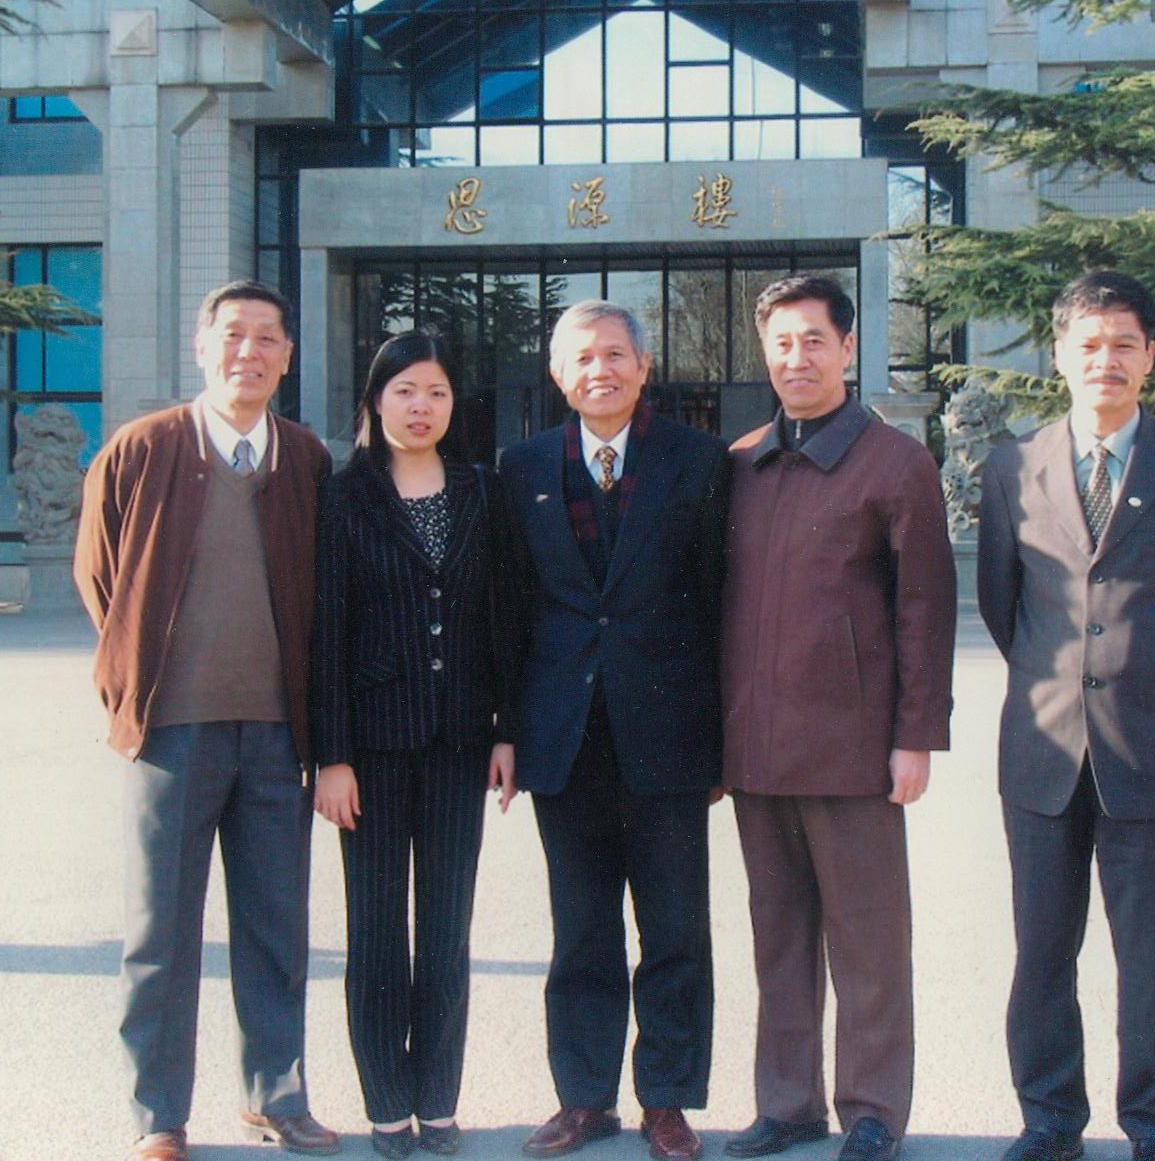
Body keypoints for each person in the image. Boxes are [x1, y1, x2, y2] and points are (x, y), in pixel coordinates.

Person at [977, 271, 1155, 1161]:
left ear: (1150, 358)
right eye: (1089, 344)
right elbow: (1002, 605)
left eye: (1124, 345)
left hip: (1152, 753)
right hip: (1042, 754)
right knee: (1041, 952)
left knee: (1152, 958)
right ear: (1060, 355)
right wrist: (1064, 679)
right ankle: (1049, 1119)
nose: (1106, 359)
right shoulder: (1013, 467)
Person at [74, 281, 339, 1161]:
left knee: (276, 928)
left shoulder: (304, 459)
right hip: (171, 731)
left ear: (288, 356)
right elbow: (99, 575)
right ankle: (159, 1113)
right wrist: (135, 677)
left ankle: (276, 1096)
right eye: (232, 335)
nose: (248, 352)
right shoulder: (142, 448)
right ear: (202, 346)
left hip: (276, 733)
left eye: (267, 338)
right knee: (161, 930)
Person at [718, 274, 956, 1161]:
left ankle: (872, 1109)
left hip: (855, 751)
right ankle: (787, 1103)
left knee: (869, 942)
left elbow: (925, 610)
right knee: (778, 938)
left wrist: (915, 737)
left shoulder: (896, 464)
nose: (797, 358)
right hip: (757, 750)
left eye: (814, 339)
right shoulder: (742, 463)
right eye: (781, 343)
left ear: (849, 349)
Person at [495, 300, 729, 1161]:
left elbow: (719, 601)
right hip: (563, 734)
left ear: (644, 365)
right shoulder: (522, 467)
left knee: (675, 929)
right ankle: (584, 1097)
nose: (601, 370)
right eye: (583, 358)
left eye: (616, 354)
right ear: (559, 374)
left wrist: (720, 738)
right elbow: (508, 606)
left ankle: (667, 1098)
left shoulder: (698, 461)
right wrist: (504, 728)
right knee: (581, 929)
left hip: (669, 732)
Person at [310, 332, 515, 1160]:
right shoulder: (342, 495)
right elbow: (326, 630)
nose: (421, 406)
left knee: (445, 929)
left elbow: (505, 617)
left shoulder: (482, 490)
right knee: (375, 929)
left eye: (435, 391)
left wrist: (506, 730)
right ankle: (386, 1103)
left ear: (454, 403)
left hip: (460, 742)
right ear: (375, 399)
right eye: (404, 391)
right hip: (371, 748)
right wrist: (330, 756)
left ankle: (438, 1097)